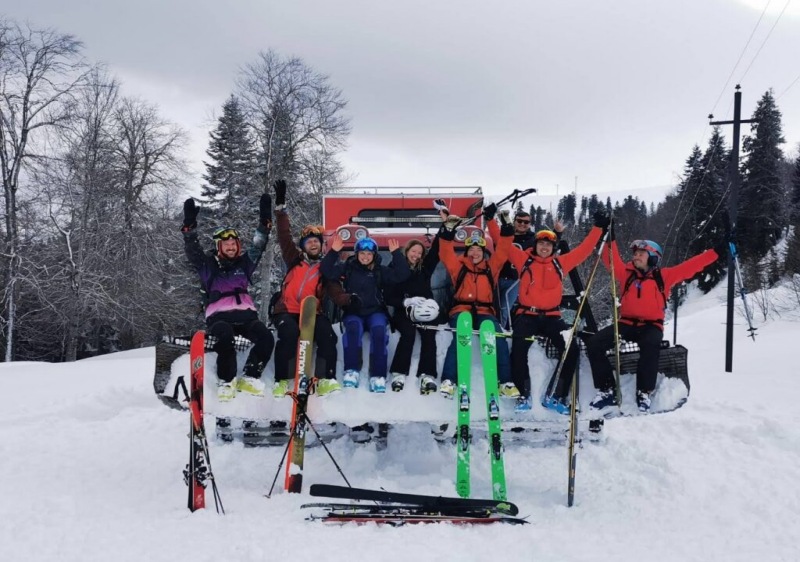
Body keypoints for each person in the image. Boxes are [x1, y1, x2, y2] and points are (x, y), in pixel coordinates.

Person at [586, 235, 722, 413]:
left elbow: (692, 266)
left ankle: (643, 391)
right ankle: (607, 389)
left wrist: (716, 252)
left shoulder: (664, 276)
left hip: (651, 325)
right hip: (626, 323)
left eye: (641, 253)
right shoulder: (625, 273)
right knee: (595, 343)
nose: (636, 256)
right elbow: (611, 260)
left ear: (652, 257)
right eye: (635, 253)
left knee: (651, 346)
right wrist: (609, 239)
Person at [507, 212, 608, 414]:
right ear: (535, 246)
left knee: (571, 349)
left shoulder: (560, 263)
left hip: (552, 317)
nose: (544, 248)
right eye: (541, 244)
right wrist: (494, 222)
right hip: (527, 315)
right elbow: (503, 245)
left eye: (549, 245)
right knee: (518, 349)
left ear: (554, 248)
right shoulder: (523, 260)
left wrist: (598, 228)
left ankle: (557, 395)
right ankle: (522, 394)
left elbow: (585, 250)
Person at [181, 195, 275, 401]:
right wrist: (189, 228)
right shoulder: (208, 267)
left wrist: (265, 222)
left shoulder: (244, 264)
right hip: (219, 317)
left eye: (234, 244)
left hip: (246, 317)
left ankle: (250, 376)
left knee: (265, 337)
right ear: (219, 247)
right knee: (224, 336)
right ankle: (227, 380)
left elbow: (258, 246)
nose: (231, 247)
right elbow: (193, 252)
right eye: (226, 244)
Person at [270, 179, 344, 399]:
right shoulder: (294, 259)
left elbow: (335, 291)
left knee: (328, 336)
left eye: (317, 242)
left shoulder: (325, 268)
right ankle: (281, 380)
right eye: (309, 242)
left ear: (322, 245)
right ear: (303, 246)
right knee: (289, 334)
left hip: (311, 313)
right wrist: (281, 210)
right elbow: (284, 236)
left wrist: (349, 300)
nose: (313, 244)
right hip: (287, 310)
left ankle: (325, 379)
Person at [437, 207, 517, 399]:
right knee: (461, 336)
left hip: (485, 311)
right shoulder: (459, 267)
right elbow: (445, 252)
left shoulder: (491, 268)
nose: (475, 252)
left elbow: (504, 250)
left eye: (478, 249)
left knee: (497, 336)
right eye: (471, 249)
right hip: (461, 309)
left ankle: (505, 381)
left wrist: (506, 227)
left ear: (483, 252)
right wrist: (447, 230)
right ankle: (449, 380)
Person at [320, 234, 411, 393]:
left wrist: (396, 253)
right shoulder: (348, 268)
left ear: (374, 255)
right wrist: (334, 251)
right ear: (357, 254)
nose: (365, 257)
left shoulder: (380, 271)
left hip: (375, 311)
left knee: (378, 331)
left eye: (369, 254)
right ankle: (351, 371)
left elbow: (402, 275)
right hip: (354, 312)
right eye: (362, 253)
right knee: (353, 329)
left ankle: (378, 375)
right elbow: (327, 271)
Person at [385, 207, 448, 394]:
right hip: (404, 313)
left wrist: (445, 226)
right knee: (408, 333)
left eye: (420, 252)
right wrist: (404, 302)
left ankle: (427, 375)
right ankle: (398, 373)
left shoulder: (425, 269)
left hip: (427, 312)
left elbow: (436, 249)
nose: (416, 255)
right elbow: (388, 296)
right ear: (407, 251)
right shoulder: (395, 268)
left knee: (429, 335)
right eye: (414, 251)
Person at [492, 207, 537, 330]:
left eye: (526, 222)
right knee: (492, 305)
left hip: (514, 280)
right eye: (519, 221)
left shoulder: (532, 240)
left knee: (504, 307)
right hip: (497, 276)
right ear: (514, 221)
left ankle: (501, 331)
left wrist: (557, 233)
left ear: (529, 224)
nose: (522, 224)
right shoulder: (506, 234)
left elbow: (546, 248)